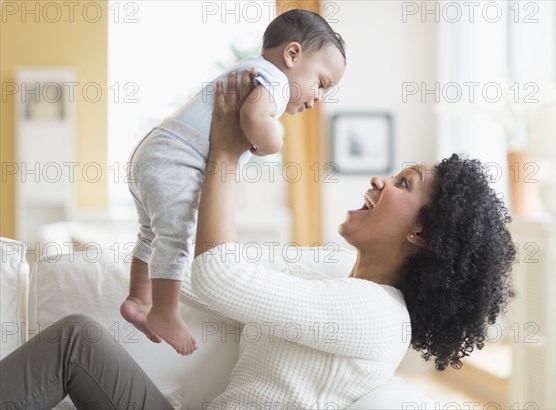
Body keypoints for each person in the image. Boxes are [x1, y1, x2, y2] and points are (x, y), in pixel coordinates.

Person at [0, 70, 515, 410]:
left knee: (74, 342)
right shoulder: (341, 280)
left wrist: (225, 154)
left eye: (403, 184)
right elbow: (230, 268)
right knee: (79, 339)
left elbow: (222, 275)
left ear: (420, 236)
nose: (380, 180)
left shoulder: (377, 315)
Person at [120, 9, 347, 356]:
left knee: (151, 233)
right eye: (321, 83)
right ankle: (164, 311)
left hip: (154, 152)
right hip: (175, 158)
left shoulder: (246, 70)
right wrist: (273, 141)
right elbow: (255, 117)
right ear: (292, 54)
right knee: (177, 234)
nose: (318, 98)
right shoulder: (272, 79)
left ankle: (138, 298)